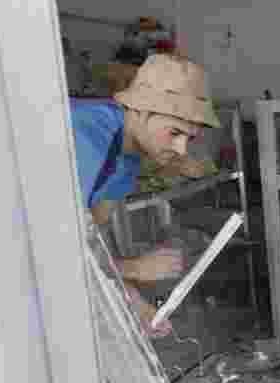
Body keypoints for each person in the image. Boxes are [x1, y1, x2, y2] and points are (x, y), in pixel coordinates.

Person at [70, 53, 220, 335]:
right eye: (174, 133)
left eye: (189, 138)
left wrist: (138, 307)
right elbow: (56, 254)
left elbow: (90, 243)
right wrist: (133, 269)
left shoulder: (128, 156)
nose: (181, 150)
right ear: (138, 110)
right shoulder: (85, 135)